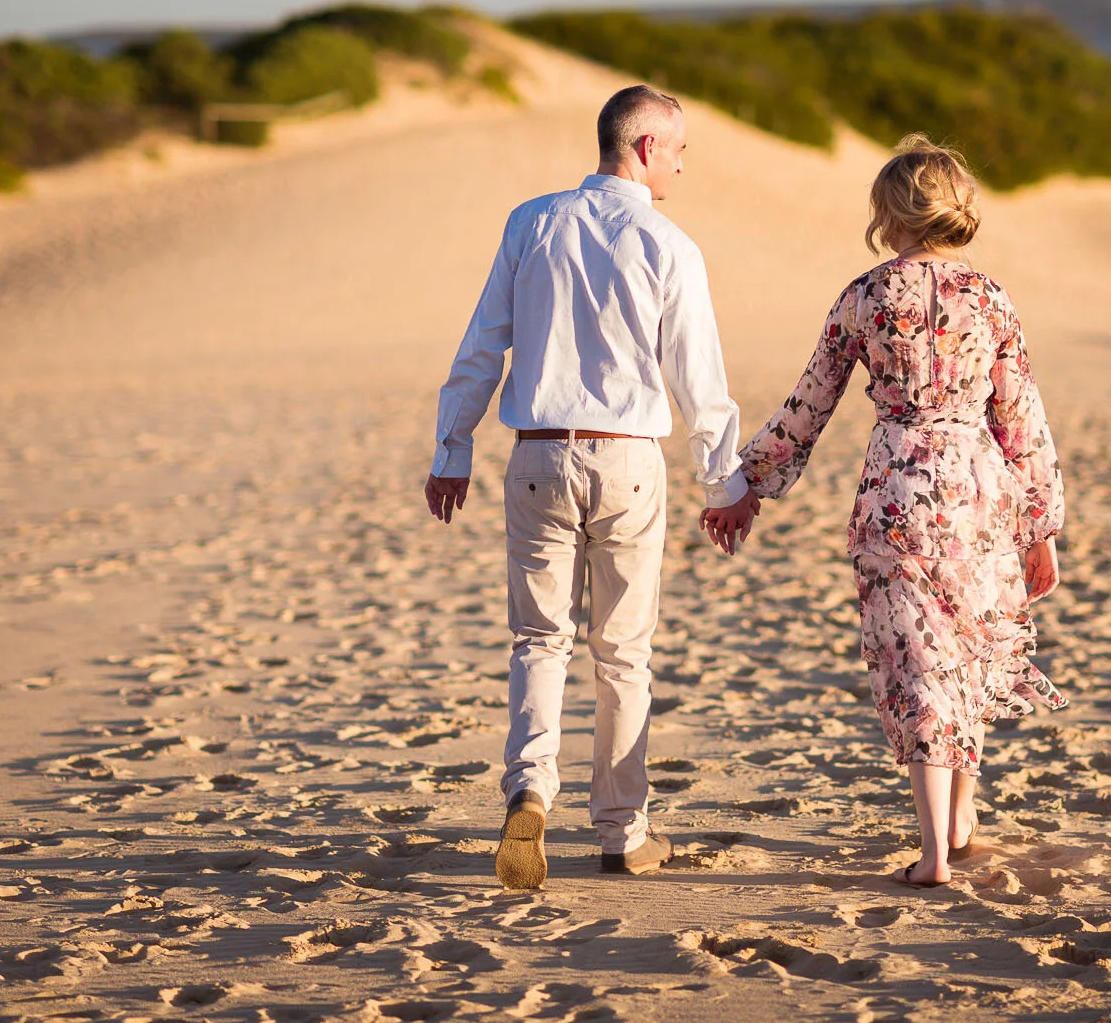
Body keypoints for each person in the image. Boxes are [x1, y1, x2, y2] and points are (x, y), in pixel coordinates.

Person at [425, 84, 762, 891]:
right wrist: (725, 483)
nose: (683, 162)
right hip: (628, 463)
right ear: (644, 146)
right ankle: (623, 831)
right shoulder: (669, 242)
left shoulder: (531, 221)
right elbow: (700, 380)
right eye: (678, 147)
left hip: (538, 453)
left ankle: (530, 791)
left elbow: (483, 346)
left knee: (539, 640)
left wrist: (451, 446)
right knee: (623, 654)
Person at [725, 135, 1067, 887]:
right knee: (970, 649)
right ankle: (961, 817)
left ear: (891, 209)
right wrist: (1041, 523)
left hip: (897, 493)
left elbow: (811, 400)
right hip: (978, 494)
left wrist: (749, 481)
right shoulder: (992, 297)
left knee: (917, 662)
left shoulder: (868, 294)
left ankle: (937, 851)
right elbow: (1022, 418)